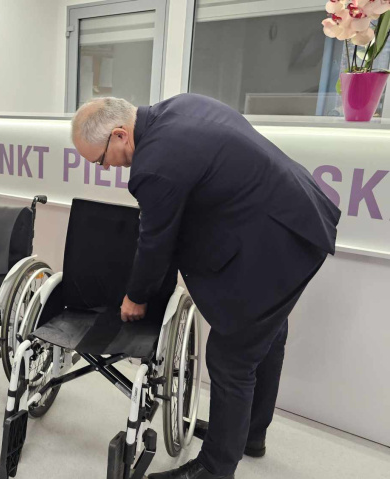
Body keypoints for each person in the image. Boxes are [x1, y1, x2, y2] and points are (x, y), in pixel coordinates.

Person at [71, 94, 340, 479]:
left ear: (119, 135)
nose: (104, 168)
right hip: (294, 220)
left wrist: (136, 297)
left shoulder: (153, 165)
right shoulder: (180, 107)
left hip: (282, 238)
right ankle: (248, 435)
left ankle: (216, 468)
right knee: (268, 333)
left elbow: (155, 243)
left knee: (231, 357)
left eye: (100, 159)